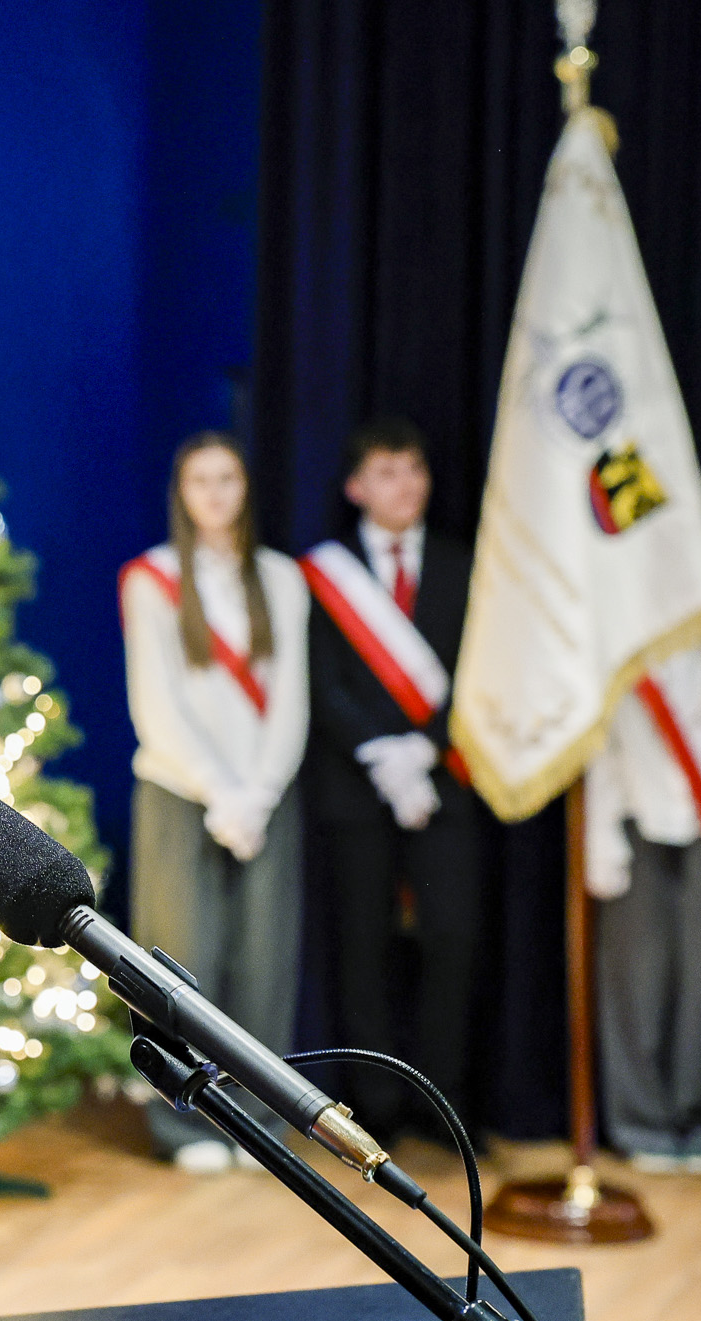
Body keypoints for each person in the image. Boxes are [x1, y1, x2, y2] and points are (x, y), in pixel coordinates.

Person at [121, 433, 310, 1173]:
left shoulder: (282, 579)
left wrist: (258, 794)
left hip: (266, 795)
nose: (215, 493)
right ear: (182, 490)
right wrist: (219, 790)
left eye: (227, 478)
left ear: (245, 488)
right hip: (179, 792)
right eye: (200, 479)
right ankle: (186, 1127)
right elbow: (156, 703)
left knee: (265, 957)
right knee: (182, 960)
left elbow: (289, 699)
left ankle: (259, 1122)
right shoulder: (153, 578)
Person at [301, 417, 483, 1140]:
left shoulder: (462, 564)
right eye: (385, 472)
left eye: (414, 471)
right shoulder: (323, 572)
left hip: (446, 783)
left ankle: (443, 1104)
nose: (403, 486)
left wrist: (425, 750)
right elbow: (323, 683)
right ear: (355, 487)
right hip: (356, 788)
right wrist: (380, 753)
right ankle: (373, 1108)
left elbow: (478, 674)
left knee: (451, 943)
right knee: (364, 947)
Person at [585, 608, 701, 1175]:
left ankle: (693, 1120)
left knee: (697, 985)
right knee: (635, 983)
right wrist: (602, 835)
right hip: (639, 820)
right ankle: (641, 1122)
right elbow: (604, 744)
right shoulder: (626, 633)